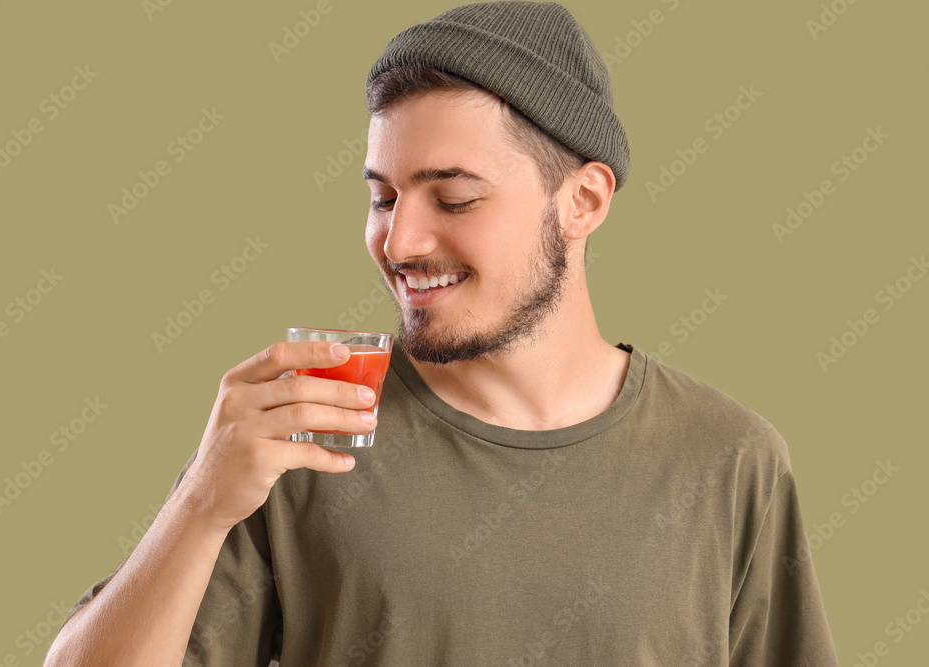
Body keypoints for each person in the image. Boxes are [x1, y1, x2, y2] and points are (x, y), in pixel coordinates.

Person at [45, 2, 838, 665]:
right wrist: (200, 502)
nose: (400, 243)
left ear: (585, 201)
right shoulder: (305, 431)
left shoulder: (731, 461)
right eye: (384, 197)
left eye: (453, 198)